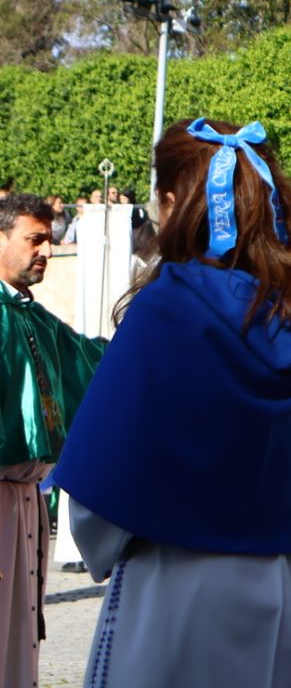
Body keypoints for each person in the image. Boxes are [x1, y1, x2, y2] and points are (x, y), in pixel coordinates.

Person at [52, 119, 291, 687]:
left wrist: (118, 543)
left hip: (175, 593)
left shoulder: (167, 307)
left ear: (176, 202)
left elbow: (100, 488)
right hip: (289, 592)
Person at [0, 193, 104, 687]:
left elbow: (93, 361)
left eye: (49, 239)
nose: (45, 250)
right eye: (33, 239)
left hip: (27, 503)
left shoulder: (33, 317)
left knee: (20, 636)